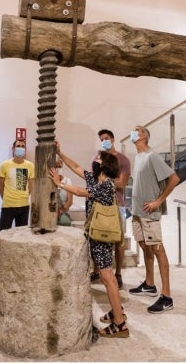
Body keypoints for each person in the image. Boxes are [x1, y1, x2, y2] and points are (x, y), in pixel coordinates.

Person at [51, 147, 129, 337]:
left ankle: (119, 324)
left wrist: (59, 184)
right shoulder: (98, 179)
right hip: (97, 234)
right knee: (106, 277)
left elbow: (79, 191)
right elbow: (76, 167)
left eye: (98, 159)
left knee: (107, 278)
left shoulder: (106, 185)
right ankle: (117, 312)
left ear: (104, 165)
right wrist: (60, 153)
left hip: (102, 237)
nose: (95, 160)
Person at [127, 125, 180, 314]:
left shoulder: (152, 156)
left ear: (144, 136)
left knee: (159, 251)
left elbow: (174, 179)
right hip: (137, 212)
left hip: (150, 214)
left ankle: (167, 297)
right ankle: (149, 284)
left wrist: (158, 201)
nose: (133, 132)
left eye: (137, 130)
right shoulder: (138, 157)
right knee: (144, 246)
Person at [90, 129, 131, 288]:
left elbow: (122, 183)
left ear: (113, 139)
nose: (104, 141)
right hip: (99, 204)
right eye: (101, 139)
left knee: (119, 242)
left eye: (106, 138)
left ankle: (118, 273)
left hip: (118, 205)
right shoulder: (97, 158)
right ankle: (97, 270)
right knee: (97, 238)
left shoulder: (123, 160)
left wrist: (105, 181)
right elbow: (93, 179)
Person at [0, 139, 34, 231]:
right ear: (13, 148)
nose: (20, 148)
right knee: (3, 233)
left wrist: (23, 196)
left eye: (23, 146)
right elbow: (0, 187)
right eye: (18, 146)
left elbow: (30, 187)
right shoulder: (4, 165)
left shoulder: (30, 165)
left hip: (24, 206)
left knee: (21, 235)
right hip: (8, 205)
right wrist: (7, 198)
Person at [54, 158, 73, 226]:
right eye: (56, 167)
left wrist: (60, 211)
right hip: (50, 211)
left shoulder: (67, 181)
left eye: (60, 167)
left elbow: (70, 201)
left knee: (64, 222)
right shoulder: (49, 181)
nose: (58, 169)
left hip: (63, 211)